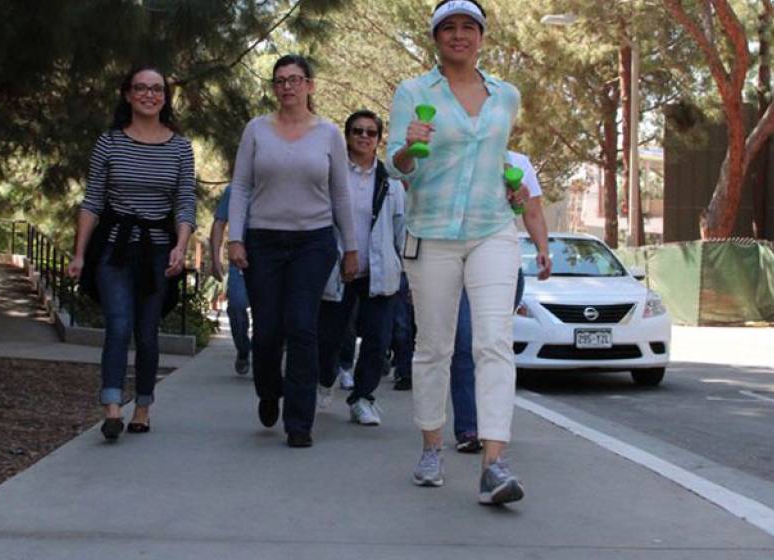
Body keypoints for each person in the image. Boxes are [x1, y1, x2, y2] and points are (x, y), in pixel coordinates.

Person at [386, 0, 548, 504]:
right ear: (435, 37)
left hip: (492, 229)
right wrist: (409, 148)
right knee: (434, 345)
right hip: (431, 231)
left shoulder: (506, 96)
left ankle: (494, 464)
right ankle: (432, 446)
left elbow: (497, 154)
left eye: (468, 28)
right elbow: (396, 168)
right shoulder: (413, 92)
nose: (459, 35)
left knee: (494, 342)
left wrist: (515, 188)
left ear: (481, 36)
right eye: (448, 28)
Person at [228, 54, 358, 448]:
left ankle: (299, 423)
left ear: (310, 86)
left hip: (313, 242)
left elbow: (340, 192)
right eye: (280, 80)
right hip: (263, 241)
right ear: (274, 88)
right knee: (267, 331)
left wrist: (351, 246)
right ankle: (269, 390)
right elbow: (240, 187)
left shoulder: (329, 133)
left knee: (302, 326)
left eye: (296, 79)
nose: (288, 86)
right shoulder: (256, 130)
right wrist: (236, 238)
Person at [68, 65, 197, 441]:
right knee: (119, 325)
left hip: (158, 253)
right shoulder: (109, 142)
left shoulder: (179, 146)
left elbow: (185, 202)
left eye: (156, 89)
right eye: (140, 88)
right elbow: (92, 201)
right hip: (114, 250)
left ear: (165, 97)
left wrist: (181, 246)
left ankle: (142, 405)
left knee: (147, 333)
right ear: (127, 95)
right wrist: (79, 254)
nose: (149, 94)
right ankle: (111, 406)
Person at [451, 151, 552, 453]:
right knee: (465, 342)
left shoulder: (518, 163)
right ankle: (469, 426)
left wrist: (543, 249)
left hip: (503, 264)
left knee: (493, 345)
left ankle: (494, 427)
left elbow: (531, 211)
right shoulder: (458, 152)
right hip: (458, 260)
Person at [316, 110, 406, 426]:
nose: (364, 137)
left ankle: (363, 398)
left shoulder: (391, 184)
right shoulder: (331, 177)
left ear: (379, 140)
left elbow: (400, 229)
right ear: (347, 136)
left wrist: (404, 269)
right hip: (337, 271)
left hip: (380, 275)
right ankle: (325, 379)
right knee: (327, 339)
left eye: (370, 132)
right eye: (357, 131)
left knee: (377, 341)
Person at [209, 186, 250, 375]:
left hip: (271, 260)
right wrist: (215, 259)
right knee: (236, 305)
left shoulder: (279, 184)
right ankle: (243, 348)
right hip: (240, 260)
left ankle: (263, 355)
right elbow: (219, 223)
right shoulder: (234, 190)